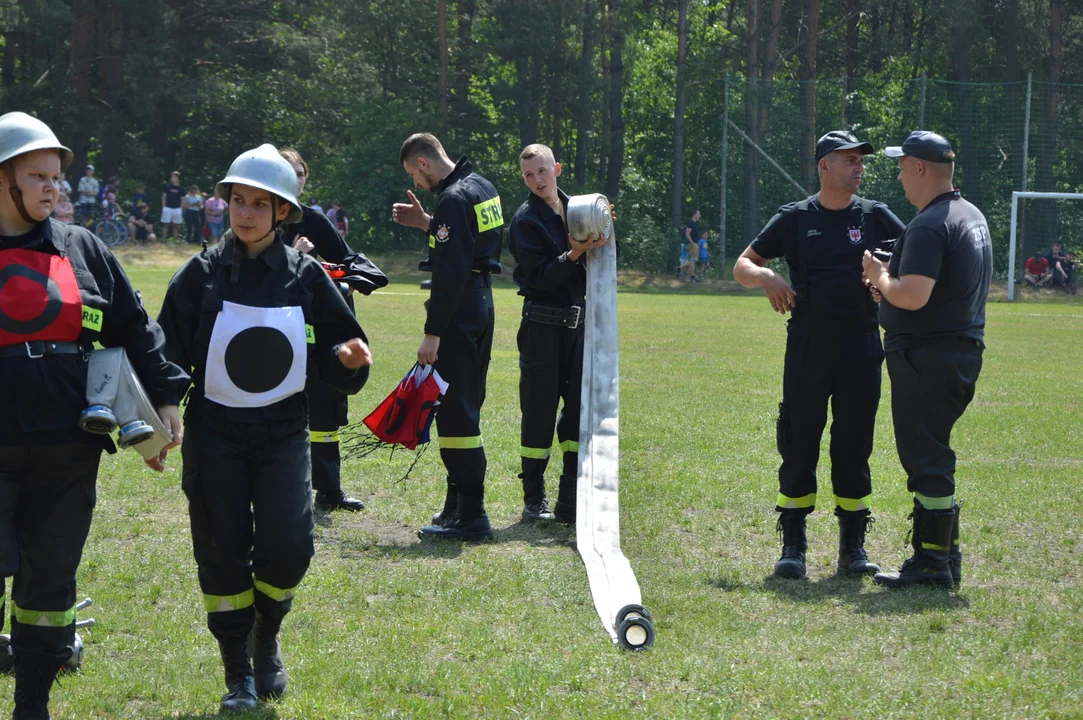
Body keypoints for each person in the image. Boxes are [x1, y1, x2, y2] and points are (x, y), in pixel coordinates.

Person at [156, 144, 372, 713]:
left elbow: (341, 347)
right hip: (214, 438)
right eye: (238, 200)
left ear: (283, 212)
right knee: (221, 552)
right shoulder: (199, 274)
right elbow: (165, 352)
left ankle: (266, 634)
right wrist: (164, 406)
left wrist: (350, 359)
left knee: (290, 548)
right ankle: (238, 676)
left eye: (260, 204)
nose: (246, 213)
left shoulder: (306, 277)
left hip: (281, 435)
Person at [0, 111, 186, 718]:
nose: (54, 188)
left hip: (66, 450)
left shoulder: (83, 247)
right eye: (37, 176)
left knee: (49, 583)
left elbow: (136, 327)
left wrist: (164, 401)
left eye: (57, 177)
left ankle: (33, 704)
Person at [733, 130, 906, 580]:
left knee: (854, 443)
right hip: (809, 343)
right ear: (824, 166)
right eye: (849, 160)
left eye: (860, 162)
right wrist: (766, 276)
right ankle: (794, 545)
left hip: (862, 344)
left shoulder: (876, 216)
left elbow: (914, 260)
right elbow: (742, 265)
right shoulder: (794, 218)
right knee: (800, 438)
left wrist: (886, 282)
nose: (859, 168)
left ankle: (853, 547)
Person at [862, 130, 992, 589]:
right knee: (932, 450)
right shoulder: (970, 214)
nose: (899, 176)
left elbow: (914, 296)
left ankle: (933, 563)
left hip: (928, 356)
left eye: (902, 167)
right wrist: (890, 289)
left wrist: (880, 275)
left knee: (926, 457)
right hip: (958, 351)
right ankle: (944, 555)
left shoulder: (930, 223)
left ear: (920, 168)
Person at [392, 132, 502, 540]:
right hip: (482, 304)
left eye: (413, 174)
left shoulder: (453, 199)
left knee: (456, 416)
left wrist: (432, 334)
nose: (417, 185)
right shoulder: (481, 187)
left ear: (423, 163)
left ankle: (472, 516)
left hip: (459, 311)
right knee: (465, 407)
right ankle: (456, 507)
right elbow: (468, 245)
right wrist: (427, 223)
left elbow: (451, 270)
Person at [509, 143, 607, 524]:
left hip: (578, 327)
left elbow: (602, 256)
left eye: (542, 171)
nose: (537, 180)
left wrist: (602, 227)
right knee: (538, 412)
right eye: (529, 175)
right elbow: (541, 279)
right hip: (541, 328)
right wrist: (575, 253)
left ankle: (570, 495)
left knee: (577, 414)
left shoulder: (579, 208)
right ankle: (534, 499)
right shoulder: (524, 221)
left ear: (557, 169)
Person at [280, 147, 365, 512]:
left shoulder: (315, 220)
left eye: (301, 173)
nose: (296, 179)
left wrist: (325, 265)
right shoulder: (263, 215)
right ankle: (281, 487)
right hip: (279, 329)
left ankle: (329, 491)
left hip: (319, 328)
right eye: (288, 172)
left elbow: (346, 262)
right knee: (283, 407)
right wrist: (292, 254)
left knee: (326, 407)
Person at [161, 170, 184, 243]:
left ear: (177, 178)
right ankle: (163, 240)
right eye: (171, 177)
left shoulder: (181, 188)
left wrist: (181, 208)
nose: (172, 178)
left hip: (177, 208)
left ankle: (175, 240)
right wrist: (164, 207)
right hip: (167, 208)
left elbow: (183, 199)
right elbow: (164, 197)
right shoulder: (167, 186)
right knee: (165, 225)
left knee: (176, 226)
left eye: (173, 177)